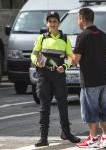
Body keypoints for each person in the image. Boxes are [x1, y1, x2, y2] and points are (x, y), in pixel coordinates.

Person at [31, 11, 80, 147]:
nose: (52, 24)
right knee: (44, 106)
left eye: (55, 21)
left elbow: (71, 57)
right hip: (44, 76)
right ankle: (43, 137)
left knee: (63, 105)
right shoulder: (41, 38)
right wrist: (37, 62)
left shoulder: (65, 39)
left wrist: (64, 66)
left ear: (58, 23)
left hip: (59, 75)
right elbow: (34, 55)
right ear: (47, 23)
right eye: (50, 21)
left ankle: (66, 133)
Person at [72, 8, 106, 148]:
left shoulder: (82, 36)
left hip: (89, 79)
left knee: (91, 110)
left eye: (78, 18)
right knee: (104, 109)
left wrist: (69, 56)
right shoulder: (103, 35)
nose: (78, 21)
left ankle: (93, 138)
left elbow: (76, 59)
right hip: (104, 78)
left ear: (82, 19)